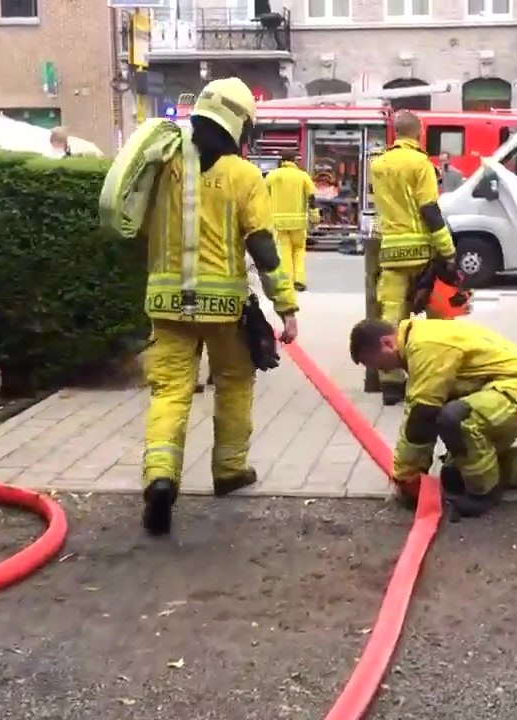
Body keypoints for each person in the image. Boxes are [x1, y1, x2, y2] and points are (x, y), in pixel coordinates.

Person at [140, 77, 299, 536]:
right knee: (233, 382)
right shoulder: (244, 175)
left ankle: (160, 478)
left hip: (166, 305)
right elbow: (264, 247)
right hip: (225, 309)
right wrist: (285, 308)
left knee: (169, 392)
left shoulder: (163, 162)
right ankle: (229, 471)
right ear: (240, 124)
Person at [348, 316, 517, 519]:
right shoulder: (418, 339)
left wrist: (405, 475)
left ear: (387, 343)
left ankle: (484, 495)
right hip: (502, 390)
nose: (384, 371)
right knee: (454, 477)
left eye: (376, 363)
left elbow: (421, 415)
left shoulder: (425, 345)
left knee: (457, 420)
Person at [369, 110, 459, 406]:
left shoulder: (378, 165)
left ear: (395, 133)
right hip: (422, 253)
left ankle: (392, 384)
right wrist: (448, 251)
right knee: (437, 320)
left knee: (392, 318)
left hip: (392, 253)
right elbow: (430, 210)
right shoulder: (422, 164)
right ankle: (436, 381)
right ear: (418, 133)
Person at [264, 149, 316, 291]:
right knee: (299, 250)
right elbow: (311, 198)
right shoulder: (303, 177)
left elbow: (262, 197)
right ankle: (299, 279)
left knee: (284, 250)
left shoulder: (271, 176)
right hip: (298, 222)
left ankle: (287, 280)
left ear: (282, 160)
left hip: (278, 222)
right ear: (295, 160)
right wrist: (314, 216)